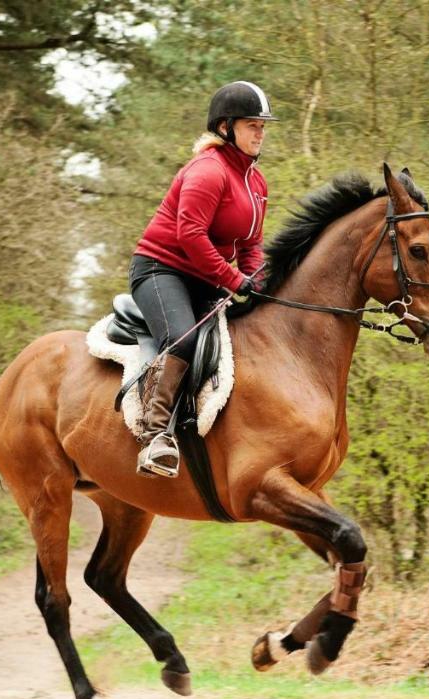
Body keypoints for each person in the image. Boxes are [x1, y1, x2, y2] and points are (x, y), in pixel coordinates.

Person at [128, 81, 275, 478]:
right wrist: (233, 279)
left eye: (263, 126)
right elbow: (189, 235)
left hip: (207, 277)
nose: (261, 132)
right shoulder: (208, 171)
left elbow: (251, 245)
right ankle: (155, 433)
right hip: (162, 270)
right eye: (252, 125)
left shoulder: (256, 183)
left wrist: (255, 281)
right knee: (185, 338)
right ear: (226, 127)